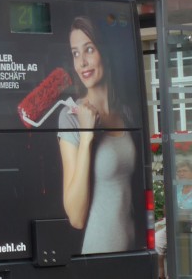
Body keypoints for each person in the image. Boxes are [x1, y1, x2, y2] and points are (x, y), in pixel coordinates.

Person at [59, 15, 138, 254]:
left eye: (89, 49)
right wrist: (86, 136)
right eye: (75, 53)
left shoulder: (125, 112)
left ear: (104, 52)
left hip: (132, 251)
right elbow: (75, 217)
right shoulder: (69, 116)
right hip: (100, 254)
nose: (82, 62)